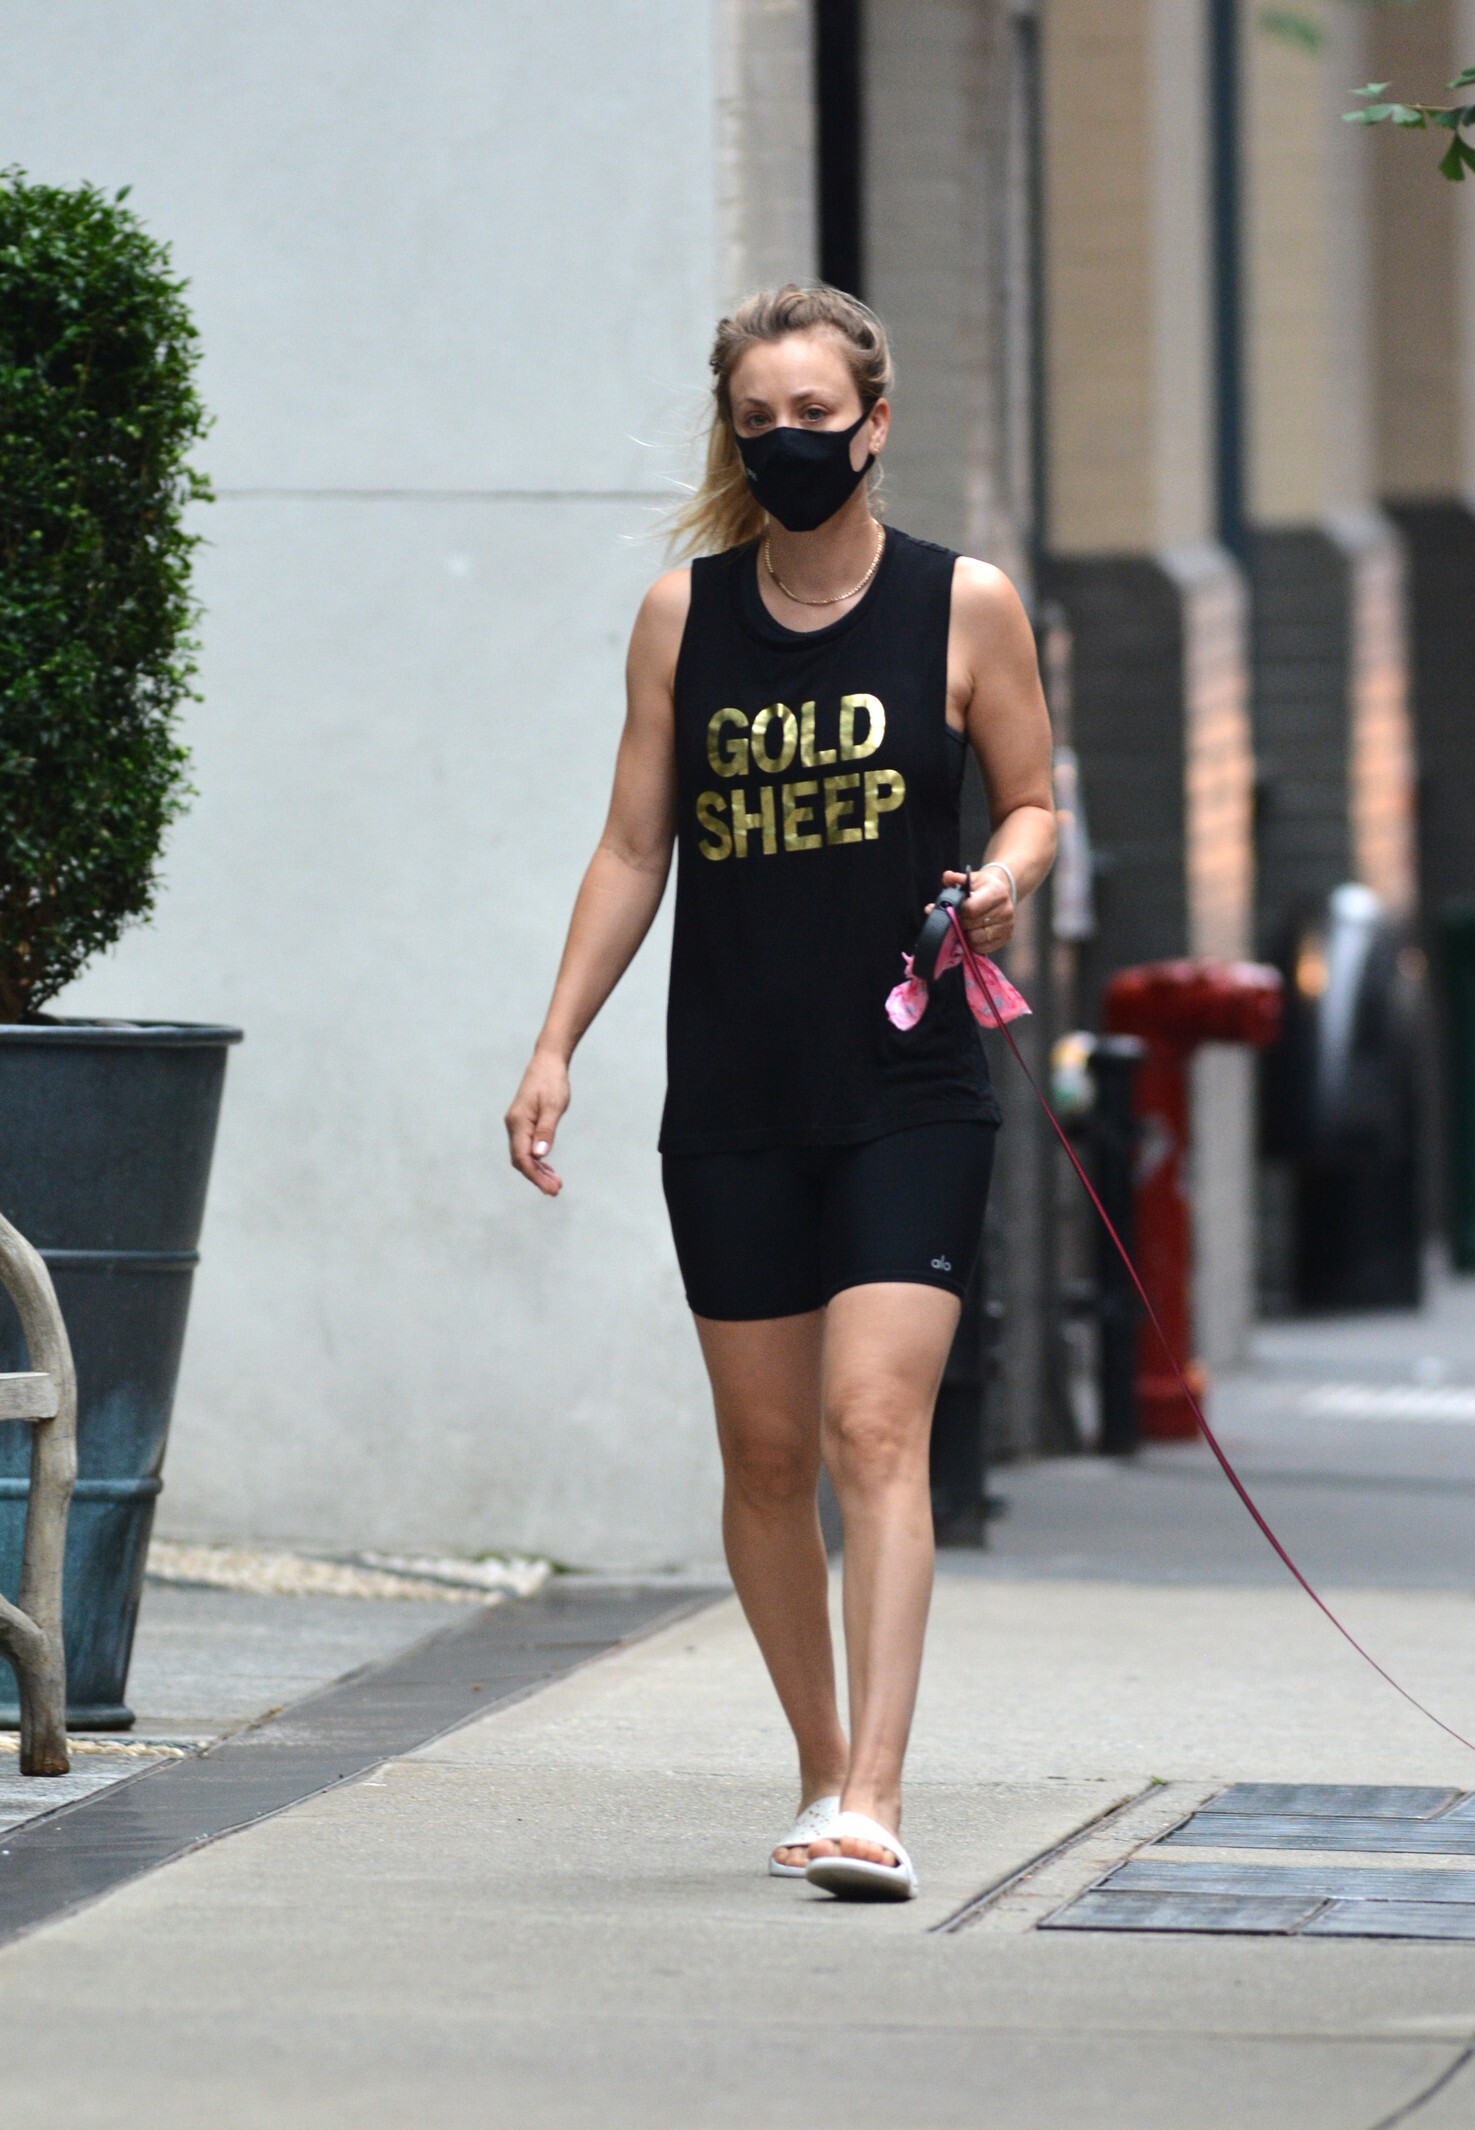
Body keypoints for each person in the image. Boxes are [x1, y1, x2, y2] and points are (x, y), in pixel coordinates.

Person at [505, 284, 1054, 1901]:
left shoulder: (964, 604)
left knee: (871, 1421)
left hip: (909, 1079)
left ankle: (876, 1796)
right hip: (734, 1085)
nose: (789, 443)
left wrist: (1005, 878)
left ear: (874, 424)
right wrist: (555, 1042)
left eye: (816, 416)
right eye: (760, 422)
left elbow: (1032, 797)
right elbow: (634, 847)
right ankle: (818, 1765)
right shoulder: (684, 618)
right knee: (762, 1455)